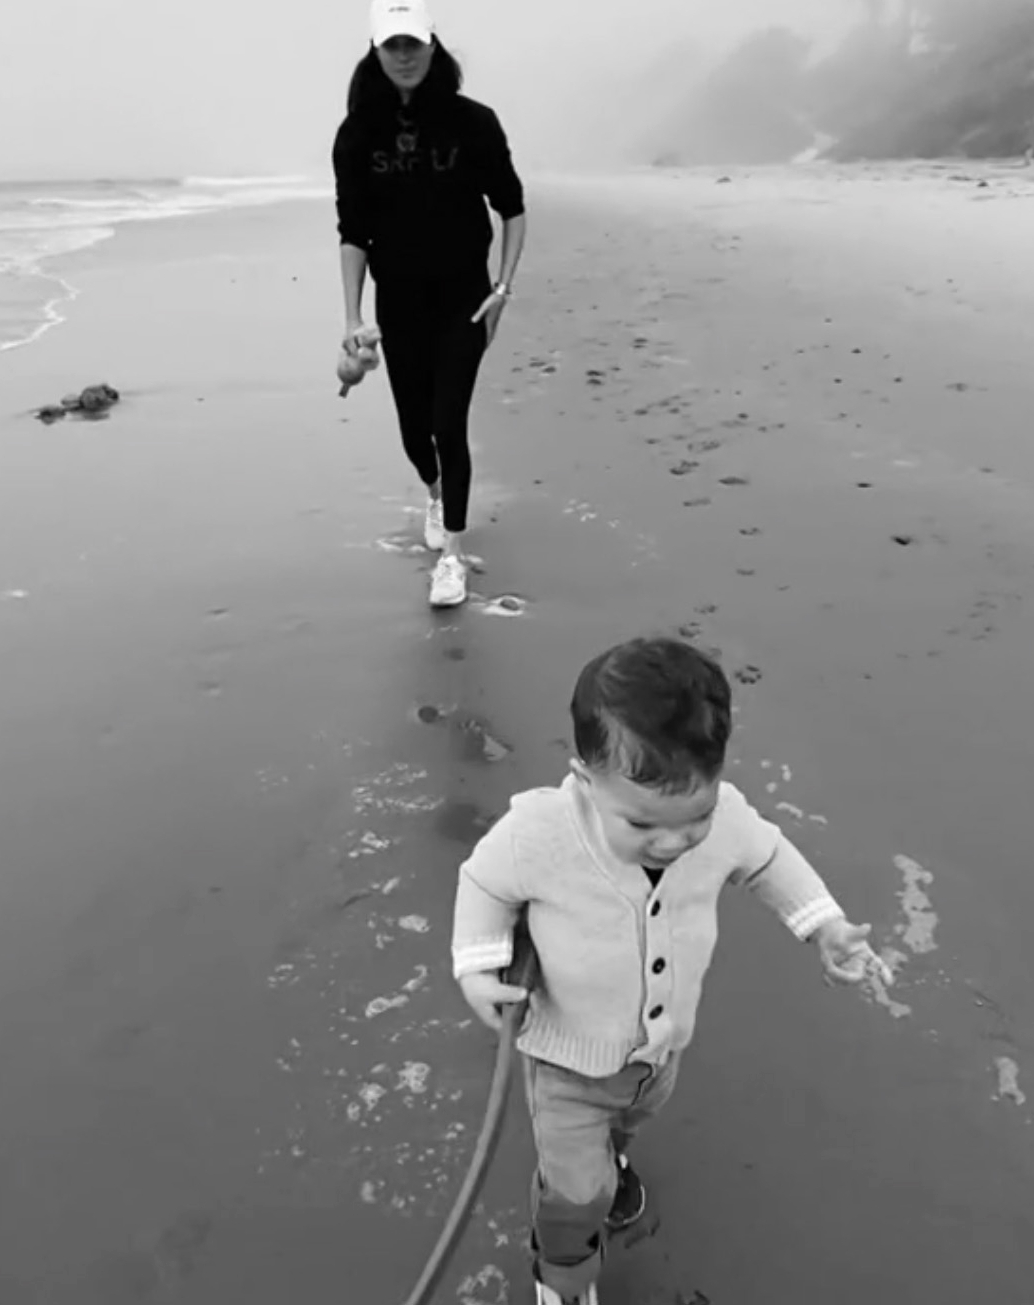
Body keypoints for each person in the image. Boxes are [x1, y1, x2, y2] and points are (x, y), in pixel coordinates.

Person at [450, 637, 892, 1305]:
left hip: (658, 1055)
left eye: (696, 816)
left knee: (628, 1124)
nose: (672, 839)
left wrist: (824, 927)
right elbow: (483, 883)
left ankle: (613, 1152)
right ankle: (562, 1280)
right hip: (566, 1061)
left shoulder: (723, 820)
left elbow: (769, 859)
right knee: (577, 1194)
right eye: (642, 822)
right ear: (584, 777)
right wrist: (476, 965)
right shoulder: (538, 831)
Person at [332, 0, 527, 609]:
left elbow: (512, 207)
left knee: (449, 423)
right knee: (416, 432)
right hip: (399, 303)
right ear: (376, 51)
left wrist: (502, 289)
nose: (405, 55)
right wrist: (352, 318)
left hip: (465, 301)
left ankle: (452, 558)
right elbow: (353, 231)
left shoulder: (474, 122)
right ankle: (435, 492)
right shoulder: (358, 133)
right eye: (393, 45)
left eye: (414, 42)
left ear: (433, 44)